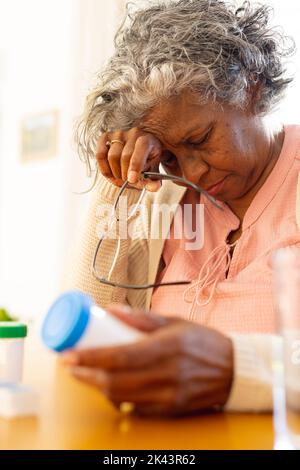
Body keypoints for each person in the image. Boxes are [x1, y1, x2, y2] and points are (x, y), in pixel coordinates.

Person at [62, 0, 300, 416]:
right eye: (169, 156)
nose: (192, 173)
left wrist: (235, 369)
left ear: (252, 86)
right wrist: (123, 180)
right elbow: (92, 331)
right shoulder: (165, 195)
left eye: (199, 139)